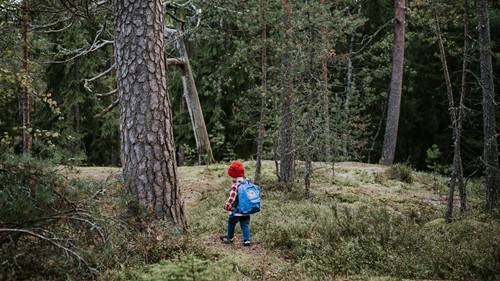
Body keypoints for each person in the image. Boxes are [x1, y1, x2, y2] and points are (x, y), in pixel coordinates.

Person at [220, 160, 252, 246]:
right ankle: (247, 240)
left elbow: (232, 198)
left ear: (234, 176)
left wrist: (226, 207)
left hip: (236, 211)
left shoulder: (236, 186)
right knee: (245, 224)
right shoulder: (247, 182)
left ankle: (230, 237)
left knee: (231, 222)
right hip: (246, 210)